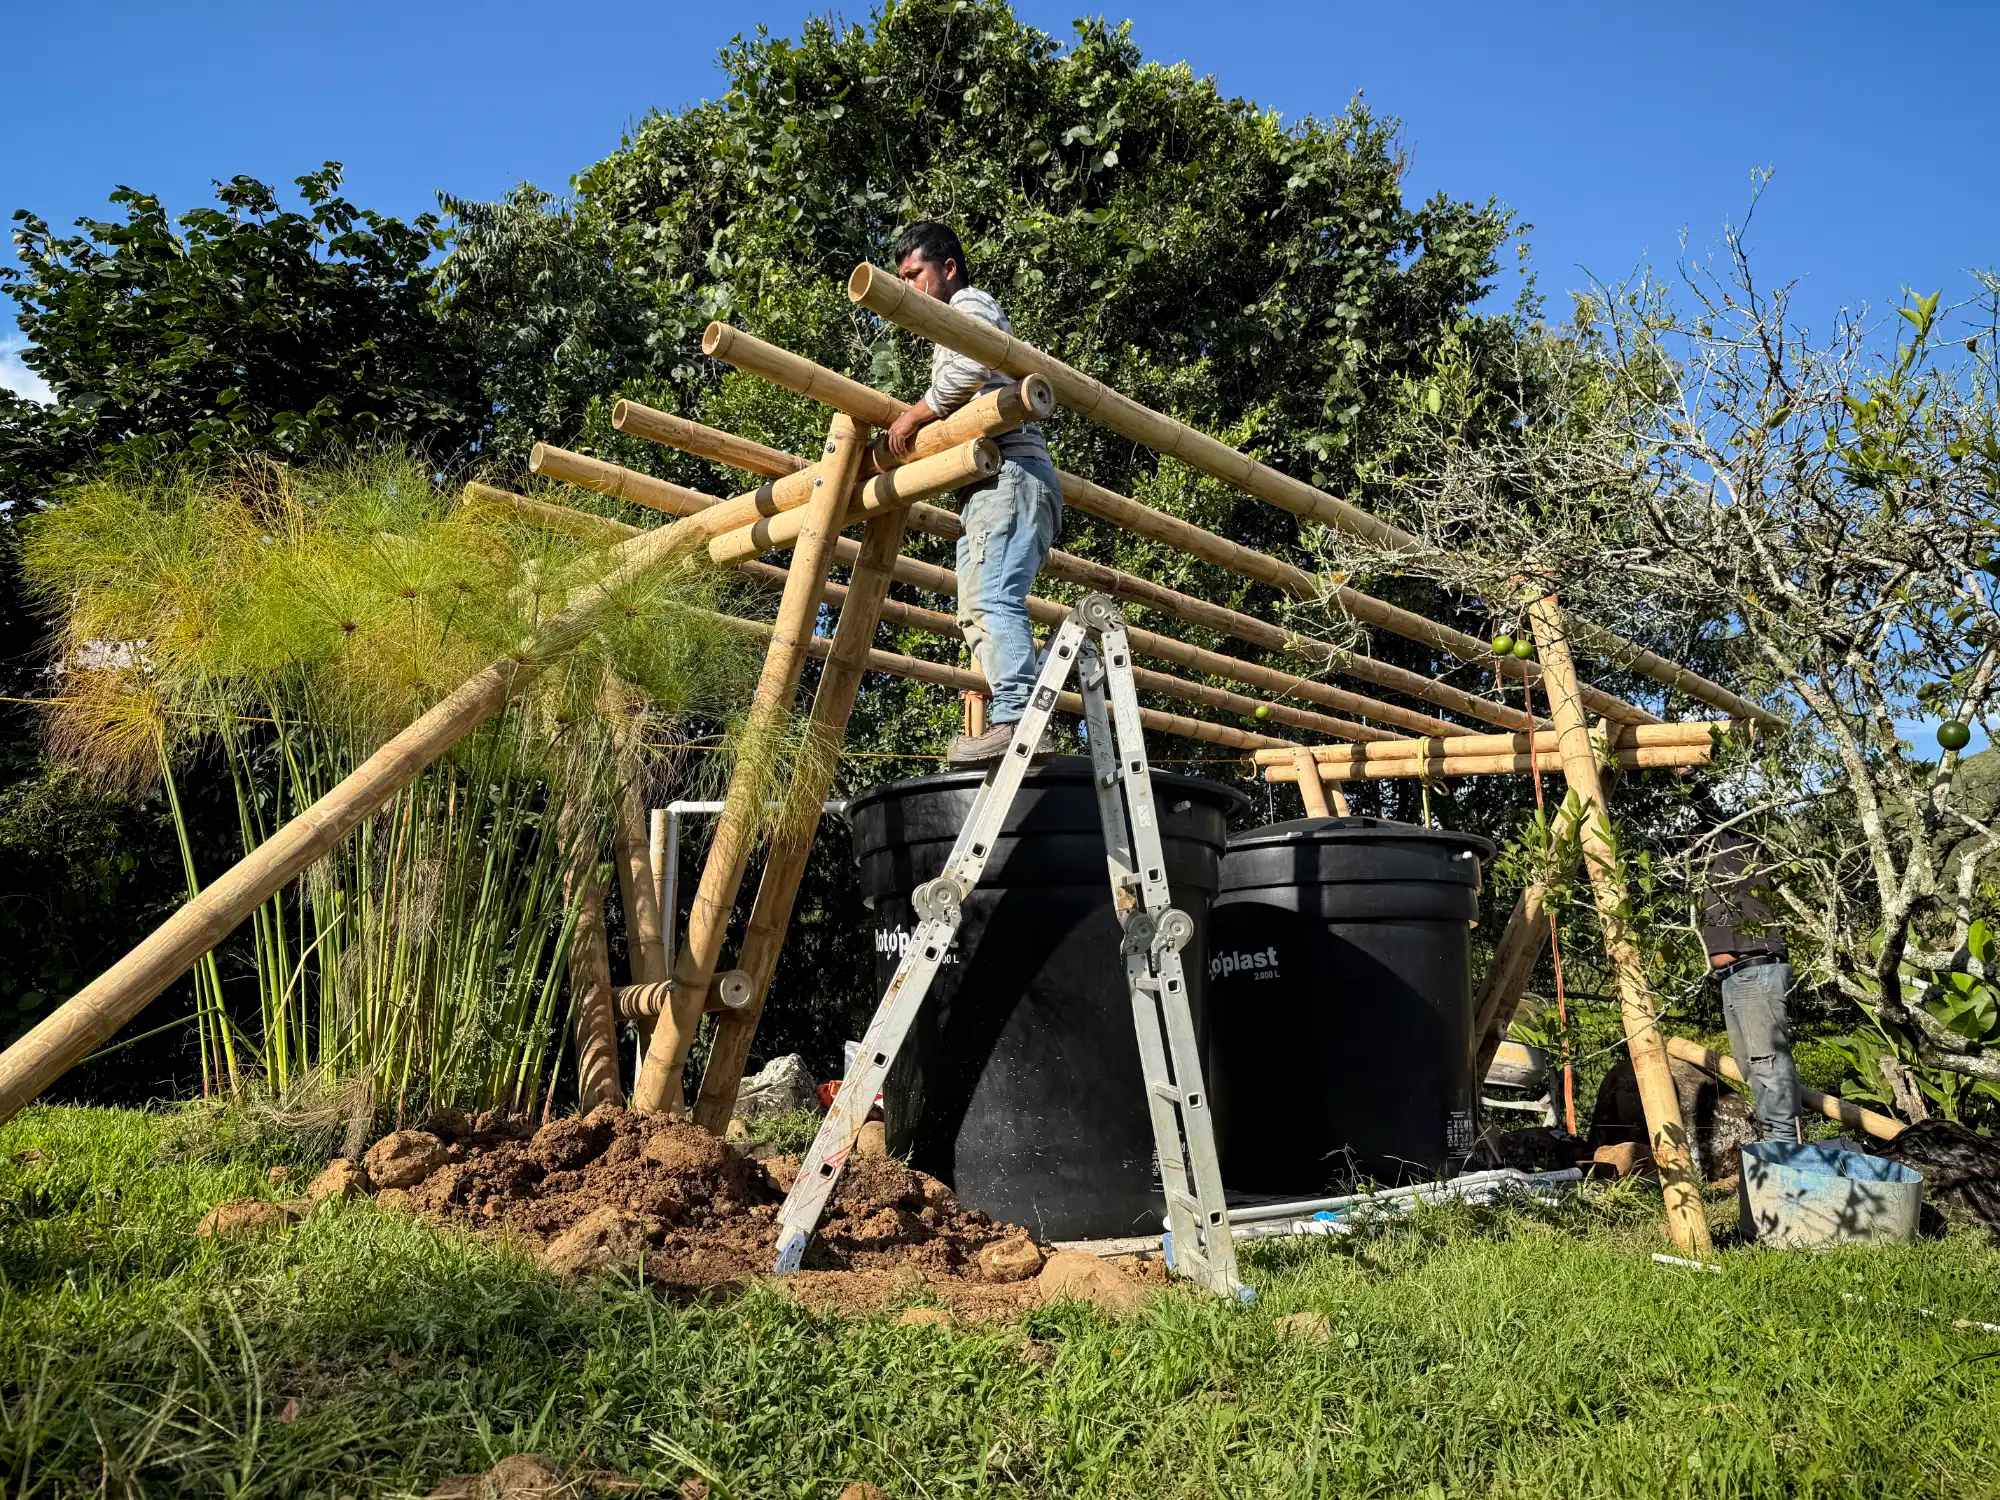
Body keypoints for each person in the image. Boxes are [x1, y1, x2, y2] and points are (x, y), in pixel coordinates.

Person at [883, 222, 1064, 765]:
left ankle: (1017, 718)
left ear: (948, 268)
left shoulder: (970, 303)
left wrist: (914, 416)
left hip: (1009, 473)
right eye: (902, 277)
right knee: (974, 609)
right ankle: (1018, 707)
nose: (909, 286)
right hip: (991, 485)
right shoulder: (950, 323)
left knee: (992, 598)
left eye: (914, 274)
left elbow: (973, 364)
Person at [1701, 829, 1804, 1143]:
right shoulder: (1710, 874)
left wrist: (1690, 782)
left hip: (1755, 971)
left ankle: (1785, 1145)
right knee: (1751, 1067)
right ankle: (1773, 1143)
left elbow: (1712, 816)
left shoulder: (1734, 849)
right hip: (1735, 977)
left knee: (1768, 1064)